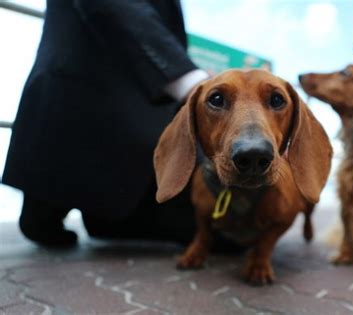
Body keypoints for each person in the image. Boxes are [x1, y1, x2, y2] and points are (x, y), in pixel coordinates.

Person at [2, 0, 209, 247]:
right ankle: (56, 203)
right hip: (79, 113)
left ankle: (103, 212)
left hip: (140, 143)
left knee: (234, 223)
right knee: (217, 228)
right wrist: (194, 83)